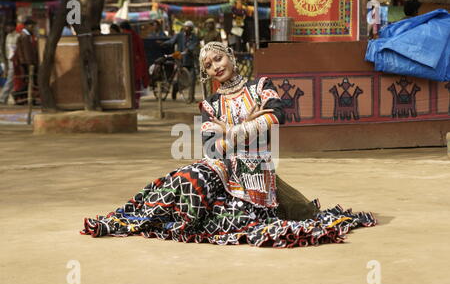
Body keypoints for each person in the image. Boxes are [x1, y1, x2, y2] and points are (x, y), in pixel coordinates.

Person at [81, 41, 377, 248]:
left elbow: (278, 116)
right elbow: (212, 148)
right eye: (208, 65)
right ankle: (136, 220)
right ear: (206, 74)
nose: (215, 66)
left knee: (304, 213)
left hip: (258, 176)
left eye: (218, 59)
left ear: (231, 57)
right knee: (187, 179)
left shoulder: (260, 87)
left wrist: (231, 131)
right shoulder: (210, 104)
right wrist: (248, 126)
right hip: (220, 171)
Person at [162, 20, 199, 103]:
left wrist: (189, 49)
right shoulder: (179, 36)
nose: (187, 29)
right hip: (180, 60)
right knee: (180, 79)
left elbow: (194, 45)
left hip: (190, 61)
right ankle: (175, 89)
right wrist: (164, 43)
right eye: (185, 27)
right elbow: (171, 41)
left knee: (192, 79)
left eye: (189, 27)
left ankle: (191, 98)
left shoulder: (194, 37)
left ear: (191, 29)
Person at [119, 21, 149, 109]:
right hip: (137, 64)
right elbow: (142, 52)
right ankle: (136, 102)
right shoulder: (136, 36)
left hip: (126, 63)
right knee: (136, 85)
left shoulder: (123, 36)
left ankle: (128, 102)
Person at [14, 18, 38, 105]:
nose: (33, 28)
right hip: (26, 63)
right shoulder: (24, 36)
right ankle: (18, 95)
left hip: (28, 62)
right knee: (28, 81)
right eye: (32, 26)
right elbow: (26, 51)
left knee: (29, 81)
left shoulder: (28, 36)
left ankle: (28, 98)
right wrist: (30, 63)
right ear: (28, 26)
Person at [0, 21, 19, 104]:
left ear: (14, 27)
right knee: (11, 80)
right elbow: (7, 50)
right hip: (9, 61)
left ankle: (3, 98)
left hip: (15, 61)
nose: (7, 28)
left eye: (9, 26)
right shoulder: (8, 36)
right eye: (7, 27)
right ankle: (10, 97)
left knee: (10, 79)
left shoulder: (18, 36)